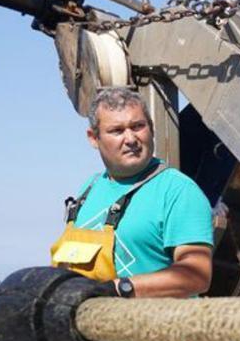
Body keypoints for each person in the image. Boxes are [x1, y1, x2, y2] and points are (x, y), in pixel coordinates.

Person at [51, 86, 213, 298]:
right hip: (89, 327)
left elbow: (197, 275)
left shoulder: (178, 191)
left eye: (138, 127)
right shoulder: (89, 189)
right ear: (93, 138)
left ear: (152, 129)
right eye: (117, 131)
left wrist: (117, 289)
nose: (130, 139)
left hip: (152, 328)